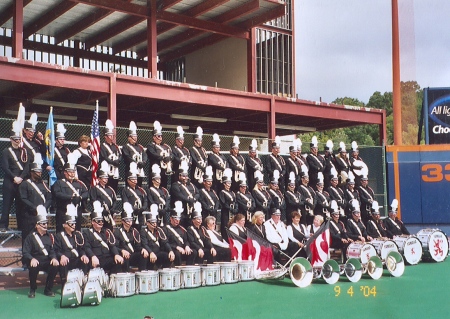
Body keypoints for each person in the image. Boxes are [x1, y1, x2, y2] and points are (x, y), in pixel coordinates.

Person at [22, 206, 59, 298]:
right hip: (36, 260)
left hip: (46, 260)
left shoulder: (49, 236)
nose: (46, 225)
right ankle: (32, 289)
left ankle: (48, 289)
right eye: (43, 223)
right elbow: (26, 252)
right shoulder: (30, 237)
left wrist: (54, 258)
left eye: (46, 223)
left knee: (55, 265)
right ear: (37, 225)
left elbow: (52, 250)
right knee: (33, 267)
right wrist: (31, 259)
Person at [0, 121, 29, 231]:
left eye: (18, 139)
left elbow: (27, 166)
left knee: (20, 205)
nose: (17, 141)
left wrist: (21, 177)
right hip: (10, 181)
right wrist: (14, 177)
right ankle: (3, 225)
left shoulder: (24, 151)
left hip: (21, 180)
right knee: (7, 204)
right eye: (15, 139)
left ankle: (20, 226)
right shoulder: (6, 151)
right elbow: (5, 167)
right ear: (11, 139)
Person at [19, 153, 52, 244]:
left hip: (41, 215)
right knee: (28, 237)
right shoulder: (25, 184)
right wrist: (35, 208)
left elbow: (49, 197)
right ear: (32, 172)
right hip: (29, 215)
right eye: (37, 171)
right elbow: (23, 198)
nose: (40, 173)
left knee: (41, 237)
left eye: (40, 171)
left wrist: (44, 207)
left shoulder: (43, 184)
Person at [82, 202, 123, 274]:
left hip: (107, 257)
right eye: (98, 221)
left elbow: (111, 245)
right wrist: (93, 256)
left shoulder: (106, 231)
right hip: (96, 258)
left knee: (119, 261)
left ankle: (111, 281)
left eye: (102, 221)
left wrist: (116, 254)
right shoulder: (87, 233)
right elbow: (87, 247)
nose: (101, 222)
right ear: (92, 222)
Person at [52, 153, 89, 232]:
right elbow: (57, 193)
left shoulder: (79, 183)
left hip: (76, 211)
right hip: (63, 210)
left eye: (73, 172)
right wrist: (70, 197)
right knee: (62, 232)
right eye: (70, 172)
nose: (72, 174)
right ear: (65, 172)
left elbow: (86, 193)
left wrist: (80, 197)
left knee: (77, 231)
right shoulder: (59, 183)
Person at [54, 204, 89, 286]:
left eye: (74, 223)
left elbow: (81, 248)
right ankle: (65, 285)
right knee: (63, 263)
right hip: (66, 260)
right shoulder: (59, 236)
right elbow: (56, 250)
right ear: (65, 225)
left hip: (76, 259)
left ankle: (83, 283)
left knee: (85, 260)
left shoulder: (78, 235)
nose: (74, 225)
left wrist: (83, 255)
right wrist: (61, 256)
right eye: (71, 224)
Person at [140, 205, 175, 270]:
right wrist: (151, 252)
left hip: (158, 252)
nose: (154, 224)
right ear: (147, 223)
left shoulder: (159, 230)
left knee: (168, 256)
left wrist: (170, 250)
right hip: (150, 252)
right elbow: (145, 244)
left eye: (155, 222)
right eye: (152, 222)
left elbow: (165, 242)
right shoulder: (143, 231)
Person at [114, 202, 146, 272]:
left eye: (131, 220)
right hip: (123, 255)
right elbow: (115, 246)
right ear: (123, 221)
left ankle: (142, 274)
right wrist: (122, 251)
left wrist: (142, 249)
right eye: (127, 220)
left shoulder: (134, 231)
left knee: (142, 255)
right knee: (125, 258)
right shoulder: (117, 232)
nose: (129, 222)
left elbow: (138, 246)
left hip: (132, 254)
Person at [89, 161, 119, 230]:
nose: (106, 179)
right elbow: (93, 200)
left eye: (107, 178)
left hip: (109, 213)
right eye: (104, 178)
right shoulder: (95, 188)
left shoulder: (110, 189)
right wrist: (102, 210)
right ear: (99, 179)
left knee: (110, 229)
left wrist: (112, 209)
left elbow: (114, 200)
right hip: (99, 214)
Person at [170, 161, 199, 228]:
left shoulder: (191, 185)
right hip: (181, 211)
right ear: (179, 176)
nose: (185, 178)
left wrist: (194, 199)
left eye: (186, 176)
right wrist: (189, 200)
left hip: (190, 210)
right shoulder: (175, 185)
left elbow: (197, 192)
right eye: (183, 176)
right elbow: (179, 195)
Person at [146, 121, 173, 189]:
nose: (160, 138)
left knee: (164, 187)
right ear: (154, 137)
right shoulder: (151, 145)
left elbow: (172, 154)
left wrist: (169, 158)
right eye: (158, 136)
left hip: (164, 170)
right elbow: (153, 154)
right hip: (155, 169)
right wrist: (163, 158)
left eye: (161, 136)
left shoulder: (166, 146)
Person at [122, 162, 148, 227]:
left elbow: (145, 201)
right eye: (133, 179)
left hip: (140, 215)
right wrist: (133, 209)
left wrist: (142, 208)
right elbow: (125, 202)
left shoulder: (141, 190)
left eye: (135, 179)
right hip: (130, 215)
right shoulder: (125, 190)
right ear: (128, 180)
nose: (135, 181)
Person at [122, 121, 147, 187]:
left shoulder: (140, 147)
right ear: (129, 137)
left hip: (139, 169)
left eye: (136, 136)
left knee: (139, 186)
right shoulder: (126, 146)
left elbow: (144, 155)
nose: (135, 138)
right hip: (130, 170)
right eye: (133, 136)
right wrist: (136, 163)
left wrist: (143, 162)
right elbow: (127, 156)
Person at [99, 119, 122, 192]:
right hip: (107, 170)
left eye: (112, 135)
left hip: (115, 170)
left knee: (114, 189)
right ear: (105, 136)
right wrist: (112, 162)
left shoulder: (116, 146)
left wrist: (118, 160)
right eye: (110, 135)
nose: (111, 137)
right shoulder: (102, 146)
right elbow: (104, 156)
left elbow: (120, 154)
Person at [219, 168, 238, 240]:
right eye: (227, 183)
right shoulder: (222, 192)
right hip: (226, 212)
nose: (229, 185)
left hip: (232, 212)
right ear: (224, 184)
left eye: (230, 183)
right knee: (225, 225)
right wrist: (230, 209)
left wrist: (235, 208)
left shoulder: (232, 193)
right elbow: (223, 203)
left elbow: (235, 202)